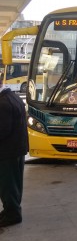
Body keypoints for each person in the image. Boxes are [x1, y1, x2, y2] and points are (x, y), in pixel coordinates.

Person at [0, 83, 28, 227]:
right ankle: (11, 210)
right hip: (17, 149)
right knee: (14, 184)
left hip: (7, 152)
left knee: (7, 185)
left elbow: (2, 131)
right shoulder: (14, 97)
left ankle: (12, 215)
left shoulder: (3, 103)